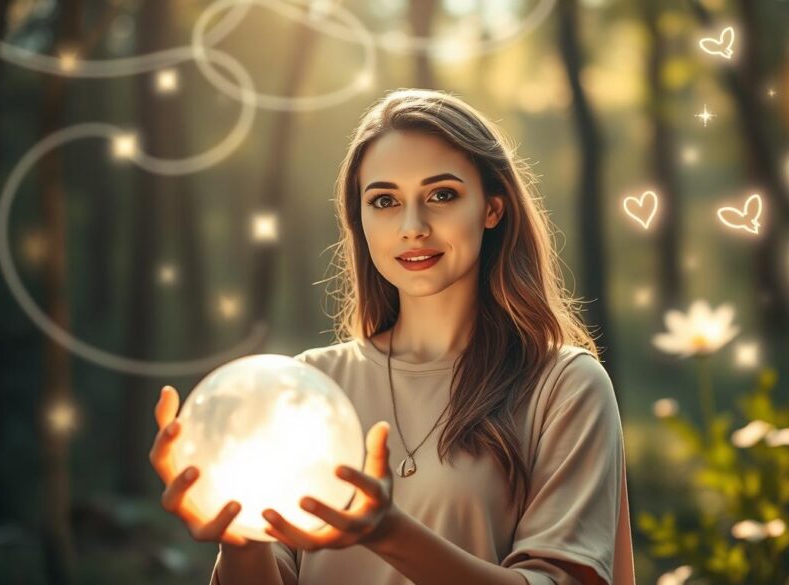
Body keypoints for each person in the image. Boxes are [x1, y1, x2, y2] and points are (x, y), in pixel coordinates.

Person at [149, 88, 635, 585]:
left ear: (492, 208)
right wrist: (238, 530)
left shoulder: (563, 385)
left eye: (442, 195)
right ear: (359, 219)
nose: (412, 226)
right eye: (384, 201)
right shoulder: (307, 387)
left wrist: (388, 533)